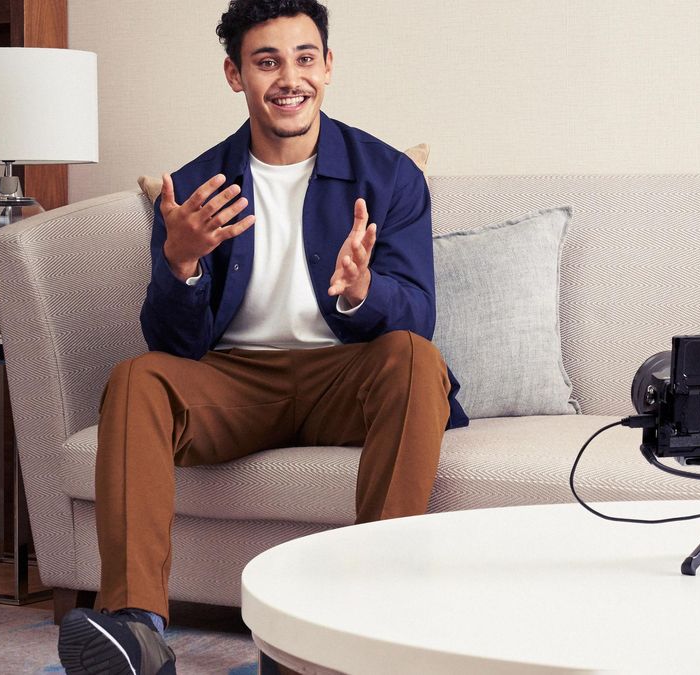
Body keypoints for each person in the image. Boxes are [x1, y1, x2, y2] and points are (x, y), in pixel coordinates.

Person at [57, 1, 466, 672]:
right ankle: (135, 630)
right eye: (266, 61)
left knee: (417, 360)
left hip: (347, 374)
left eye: (305, 58)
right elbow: (172, 346)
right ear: (234, 73)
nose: (289, 78)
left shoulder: (391, 176)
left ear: (329, 67)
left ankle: (360, 622)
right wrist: (180, 263)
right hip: (235, 382)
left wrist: (364, 291)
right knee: (136, 377)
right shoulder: (193, 186)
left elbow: (418, 315)